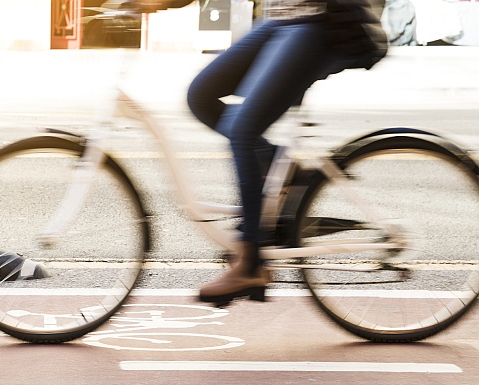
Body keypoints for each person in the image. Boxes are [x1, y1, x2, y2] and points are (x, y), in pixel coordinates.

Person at [127, 0, 388, 305]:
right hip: (281, 19)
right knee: (202, 95)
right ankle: (287, 172)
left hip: (322, 23)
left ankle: (251, 262)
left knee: (242, 132)